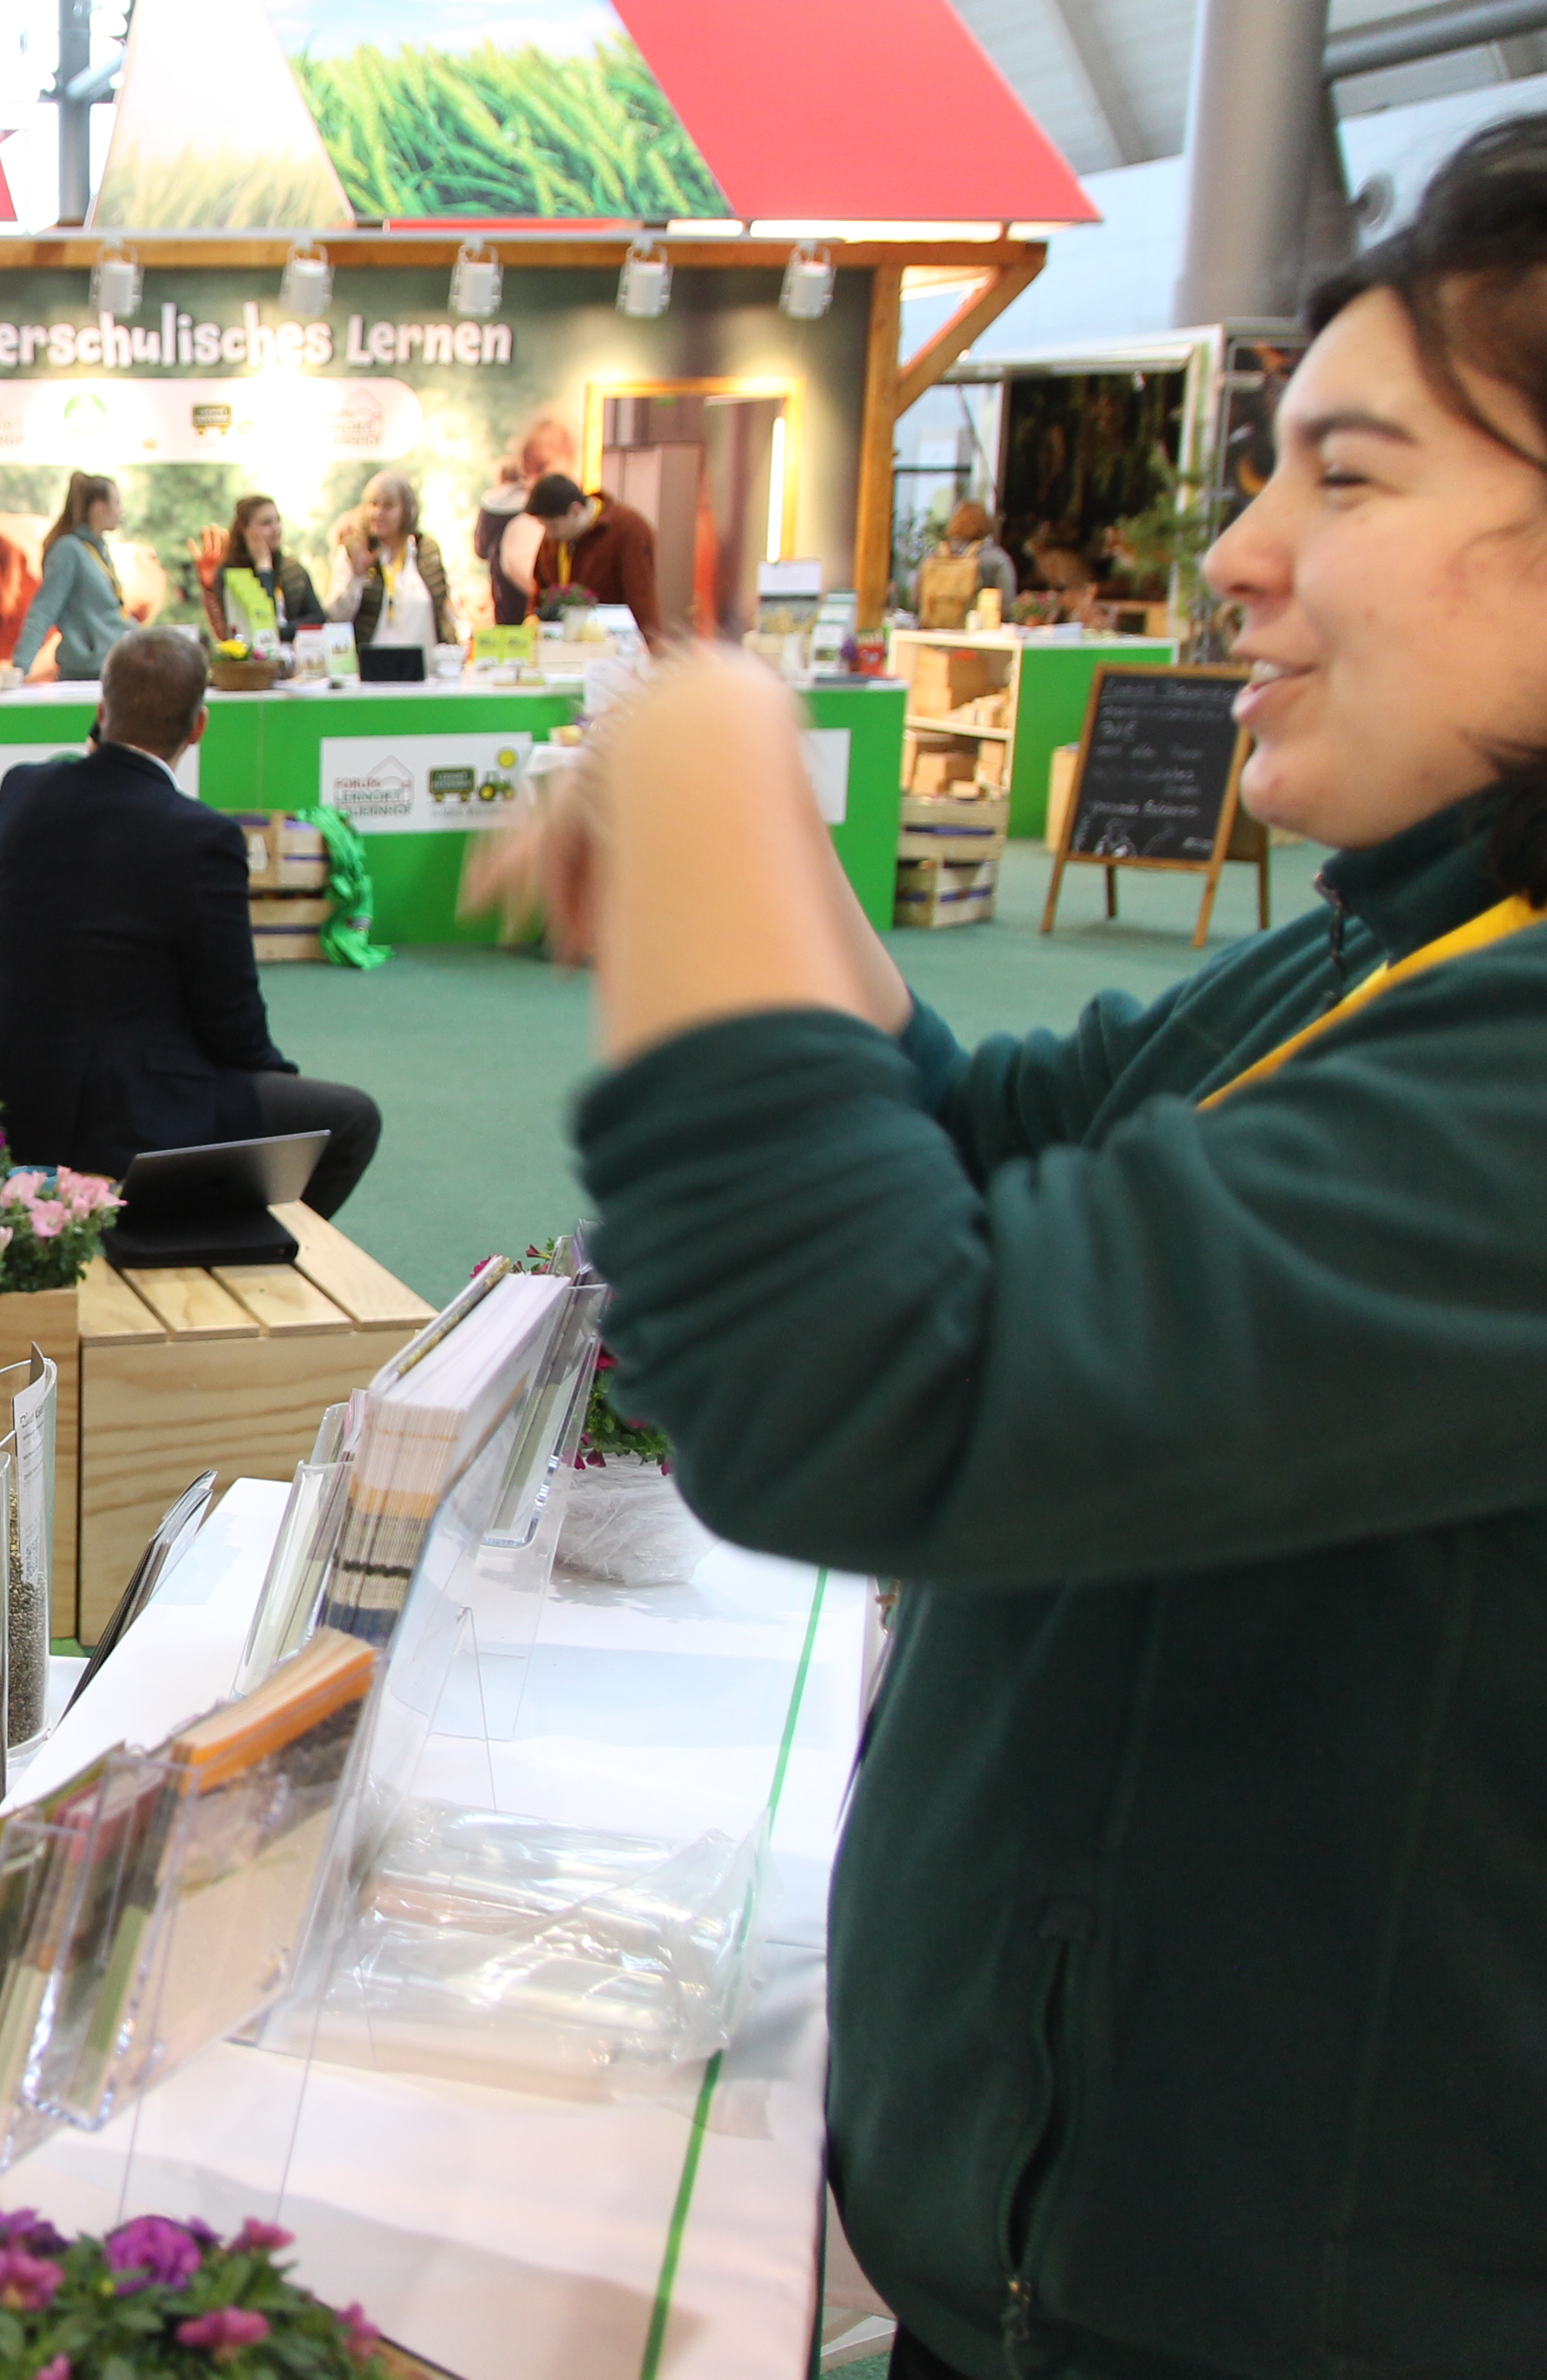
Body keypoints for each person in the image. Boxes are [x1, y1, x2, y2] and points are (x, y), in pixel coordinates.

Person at [496, 114, 1547, 2380]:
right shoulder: (1400, 949)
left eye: (1349, 478)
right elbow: (984, 1153)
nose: (1238, 555)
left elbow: (876, 1384)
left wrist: (710, 757)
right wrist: (755, 876)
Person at [0, 628, 381, 1215]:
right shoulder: (204, 837)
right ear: (198, 727)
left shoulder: (22, 789)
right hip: (116, 1115)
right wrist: (276, 1086)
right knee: (350, 1120)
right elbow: (232, 1020)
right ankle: (224, 1242)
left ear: (100, 712)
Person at [11, 470, 130, 681]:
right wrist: (19, 668)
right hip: (85, 674)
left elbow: (110, 614)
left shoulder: (98, 550)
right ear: (99, 508)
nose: (121, 511)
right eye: (117, 503)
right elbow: (43, 610)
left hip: (113, 667)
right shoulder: (68, 550)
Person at [521, 472, 664, 636]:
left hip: (612, 639)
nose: (549, 535)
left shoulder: (628, 529)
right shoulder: (555, 538)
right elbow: (540, 590)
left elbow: (641, 598)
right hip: (560, 640)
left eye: (554, 527)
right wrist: (531, 624)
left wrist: (650, 644)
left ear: (575, 510)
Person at [330, 468, 455, 650]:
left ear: (407, 511)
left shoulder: (427, 552)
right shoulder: (355, 550)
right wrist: (356, 578)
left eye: (388, 506)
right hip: (369, 664)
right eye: (373, 504)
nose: (378, 513)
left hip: (423, 665)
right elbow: (335, 617)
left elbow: (445, 612)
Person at [474, 414, 578, 627]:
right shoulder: (519, 519)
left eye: (541, 468)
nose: (533, 482)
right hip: (525, 629)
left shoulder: (581, 512)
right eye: (527, 472)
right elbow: (537, 585)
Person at [199, 493, 322, 638]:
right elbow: (261, 622)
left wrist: (282, 632)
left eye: (278, 520)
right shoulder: (230, 572)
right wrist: (264, 570)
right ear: (245, 531)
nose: (276, 529)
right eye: (266, 523)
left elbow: (318, 618)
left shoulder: (293, 569)